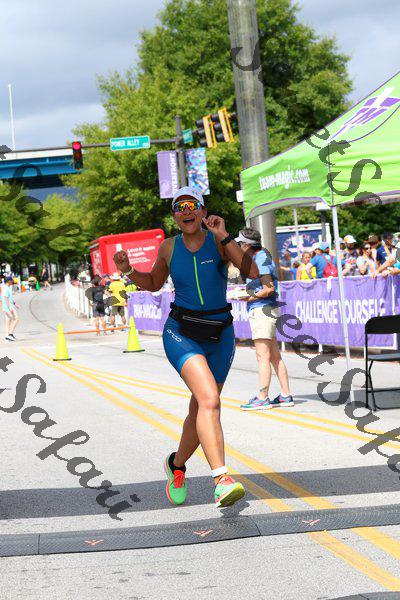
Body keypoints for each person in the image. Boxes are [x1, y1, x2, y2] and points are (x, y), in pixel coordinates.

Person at [113, 185, 257, 508]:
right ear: (175, 217)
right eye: (180, 207)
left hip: (220, 335)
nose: (187, 211)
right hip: (182, 332)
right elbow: (153, 284)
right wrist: (128, 271)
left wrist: (224, 236)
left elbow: (252, 272)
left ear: (203, 211)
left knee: (200, 409)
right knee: (210, 400)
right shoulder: (168, 247)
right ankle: (221, 479)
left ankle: (176, 466)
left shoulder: (218, 242)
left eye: (193, 205)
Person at [235, 228, 293, 412]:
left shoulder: (260, 259)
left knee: (262, 356)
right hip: (266, 309)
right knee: (274, 356)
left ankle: (262, 398)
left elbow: (268, 288)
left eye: (240, 244)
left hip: (262, 310)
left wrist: (248, 297)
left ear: (247, 245)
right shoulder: (260, 257)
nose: (238, 247)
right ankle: (285, 395)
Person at [2, 276, 20, 341]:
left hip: (6, 307)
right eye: (11, 280)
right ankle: (10, 334)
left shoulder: (6, 287)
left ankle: (7, 336)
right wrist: (10, 307)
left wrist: (15, 303)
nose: (12, 281)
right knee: (16, 318)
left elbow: (9, 298)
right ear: (8, 281)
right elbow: (6, 298)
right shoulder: (6, 288)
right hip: (8, 307)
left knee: (8, 321)